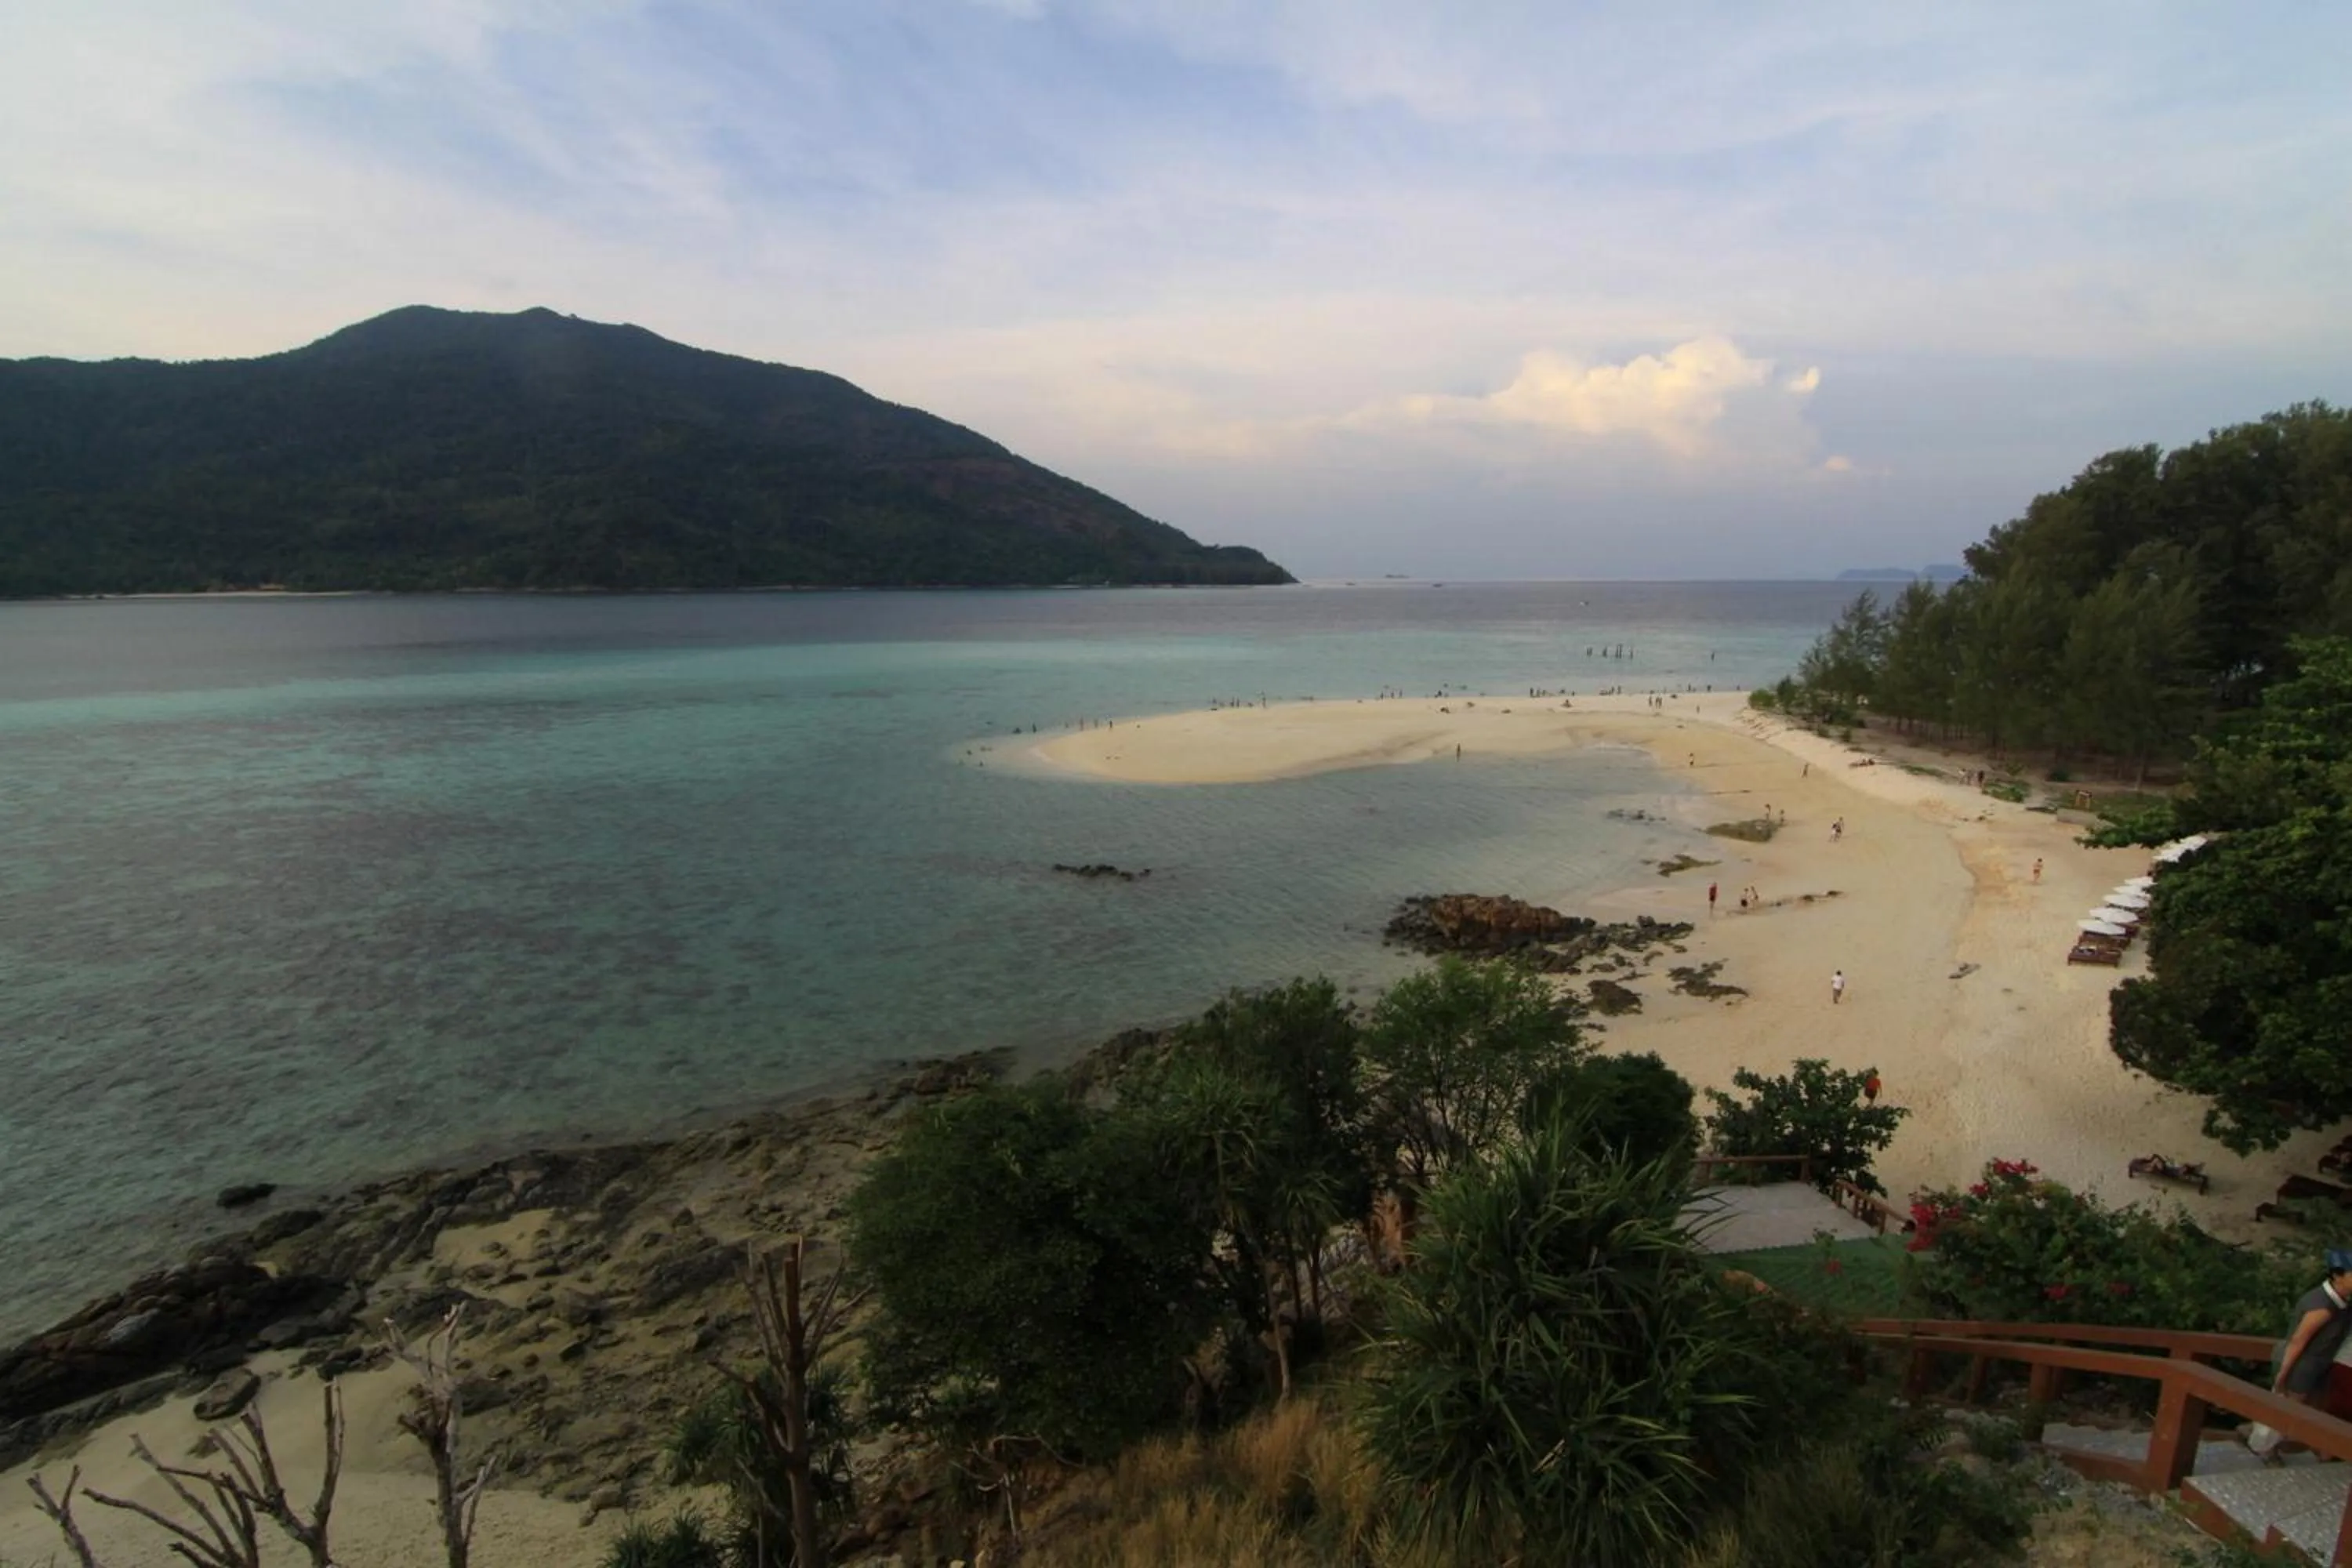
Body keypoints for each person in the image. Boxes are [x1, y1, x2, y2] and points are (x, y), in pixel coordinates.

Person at [2273, 1253, 2352, 1414]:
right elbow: (2298, 1340)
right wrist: (2282, 1375)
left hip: (2316, 1366)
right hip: (2303, 1366)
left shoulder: (2339, 1302)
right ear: (2338, 1276)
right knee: (2290, 1413)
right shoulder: (2323, 1306)